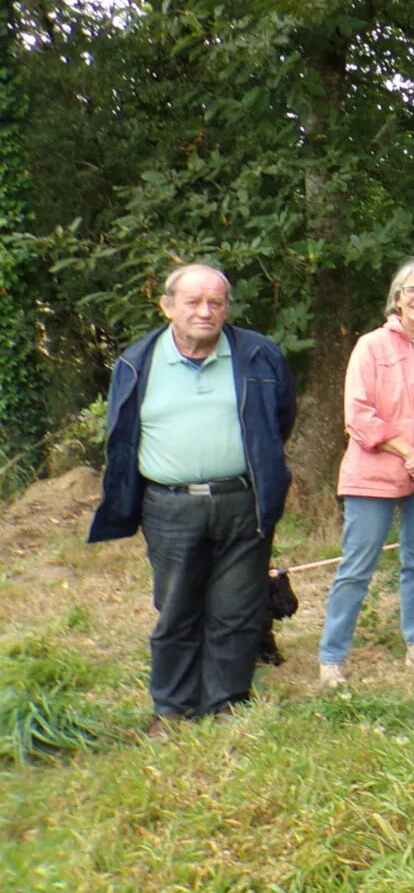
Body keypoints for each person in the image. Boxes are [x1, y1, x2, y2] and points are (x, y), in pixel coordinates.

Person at [89, 264, 295, 734]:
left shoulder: (260, 355)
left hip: (243, 500)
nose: (206, 311)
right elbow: (121, 436)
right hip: (169, 506)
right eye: (194, 302)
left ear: (226, 308)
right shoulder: (137, 362)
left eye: (216, 303)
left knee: (237, 609)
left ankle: (225, 702)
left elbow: (280, 421)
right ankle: (171, 709)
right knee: (177, 607)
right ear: (167, 306)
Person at [317, 259, 414, 687]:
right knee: (358, 562)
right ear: (397, 298)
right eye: (412, 290)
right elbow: (358, 414)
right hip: (374, 472)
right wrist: (409, 452)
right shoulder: (370, 346)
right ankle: (332, 656)